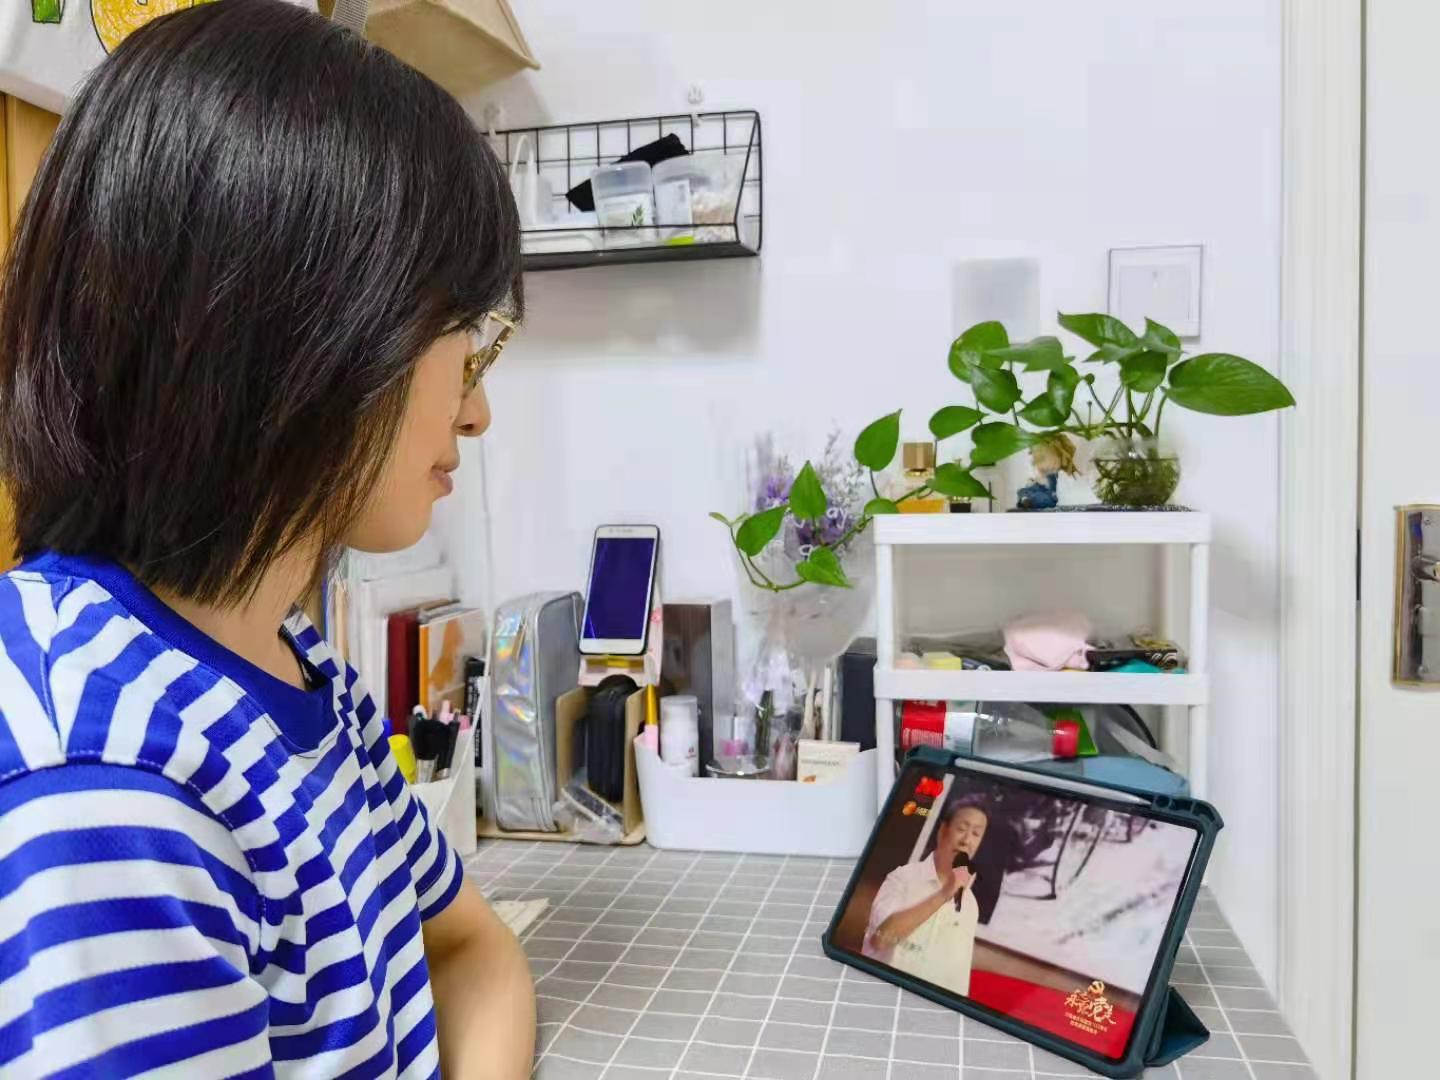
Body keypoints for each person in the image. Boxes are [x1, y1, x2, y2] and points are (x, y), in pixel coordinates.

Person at [0, 2, 532, 1077]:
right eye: (460, 345)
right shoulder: (104, 784)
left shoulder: (292, 664)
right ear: (307, 333)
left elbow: (478, 955)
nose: (476, 414)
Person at [863, 798, 990, 994]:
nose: (967, 840)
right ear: (943, 831)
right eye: (961, 829)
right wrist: (946, 893)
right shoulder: (903, 877)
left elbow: (956, 978)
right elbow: (880, 940)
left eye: (976, 834)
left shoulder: (970, 904)